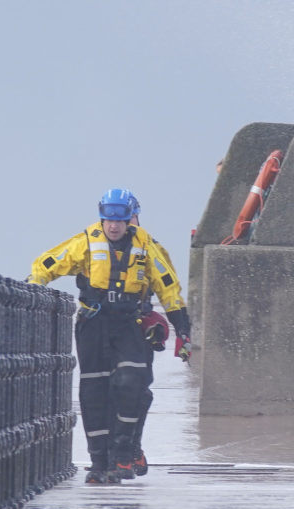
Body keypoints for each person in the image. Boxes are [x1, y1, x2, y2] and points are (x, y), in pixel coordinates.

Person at [30, 188, 193, 484]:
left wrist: (182, 328)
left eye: (120, 220)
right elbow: (48, 264)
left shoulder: (147, 247)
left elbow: (168, 286)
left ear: (131, 219)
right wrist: (32, 287)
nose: (114, 226)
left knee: (131, 383)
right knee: (94, 392)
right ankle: (99, 462)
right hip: (94, 323)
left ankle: (123, 451)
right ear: (102, 218)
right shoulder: (85, 244)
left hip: (131, 323)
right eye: (108, 220)